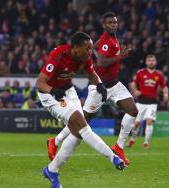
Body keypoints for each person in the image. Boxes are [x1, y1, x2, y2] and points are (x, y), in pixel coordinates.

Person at [47, 12, 137, 166]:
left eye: (115, 22)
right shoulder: (106, 40)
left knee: (133, 111)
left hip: (115, 85)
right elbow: (101, 62)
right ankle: (55, 141)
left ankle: (118, 147)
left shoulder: (110, 39)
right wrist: (120, 56)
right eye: (110, 23)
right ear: (104, 25)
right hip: (100, 87)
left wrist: (92, 51)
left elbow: (94, 49)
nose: (113, 25)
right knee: (82, 121)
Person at [37, 32, 125, 188]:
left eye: (91, 49)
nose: (90, 52)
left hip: (67, 90)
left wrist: (99, 84)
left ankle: (52, 170)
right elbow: (40, 83)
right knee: (82, 125)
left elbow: (92, 74)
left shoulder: (85, 58)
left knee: (77, 133)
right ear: (76, 48)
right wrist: (52, 91)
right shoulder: (59, 55)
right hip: (49, 94)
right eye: (87, 49)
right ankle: (113, 157)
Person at [126, 54, 169, 149]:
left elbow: (164, 86)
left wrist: (166, 94)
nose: (151, 62)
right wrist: (135, 90)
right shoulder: (140, 73)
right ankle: (132, 140)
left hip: (152, 103)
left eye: (153, 60)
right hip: (140, 102)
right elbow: (133, 84)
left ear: (156, 62)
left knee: (149, 122)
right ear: (146, 62)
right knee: (136, 123)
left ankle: (146, 143)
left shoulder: (159, 75)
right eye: (149, 60)